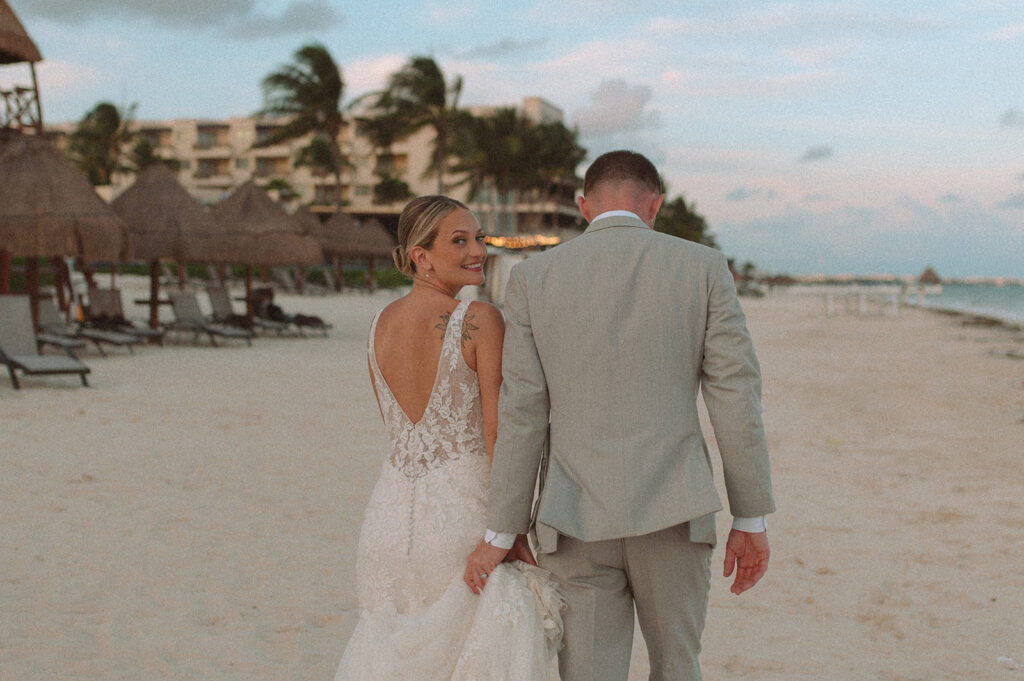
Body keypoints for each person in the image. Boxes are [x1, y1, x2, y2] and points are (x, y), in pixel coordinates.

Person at [466, 150, 775, 681]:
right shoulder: (702, 267)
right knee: (678, 668)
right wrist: (751, 518)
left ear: (584, 206)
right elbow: (735, 395)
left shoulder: (533, 278)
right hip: (676, 511)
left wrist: (502, 530)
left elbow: (523, 412)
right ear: (655, 204)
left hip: (574, 517)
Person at [333, 195, 563, 681]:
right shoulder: (479, 319)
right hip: (463, 518)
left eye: (478, 237)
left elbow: (398, 429)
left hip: (388, 523)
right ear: (421, 256)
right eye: (458, 241)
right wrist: (511, 527)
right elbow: (498, 429)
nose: (477, 250)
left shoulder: (379, 325)